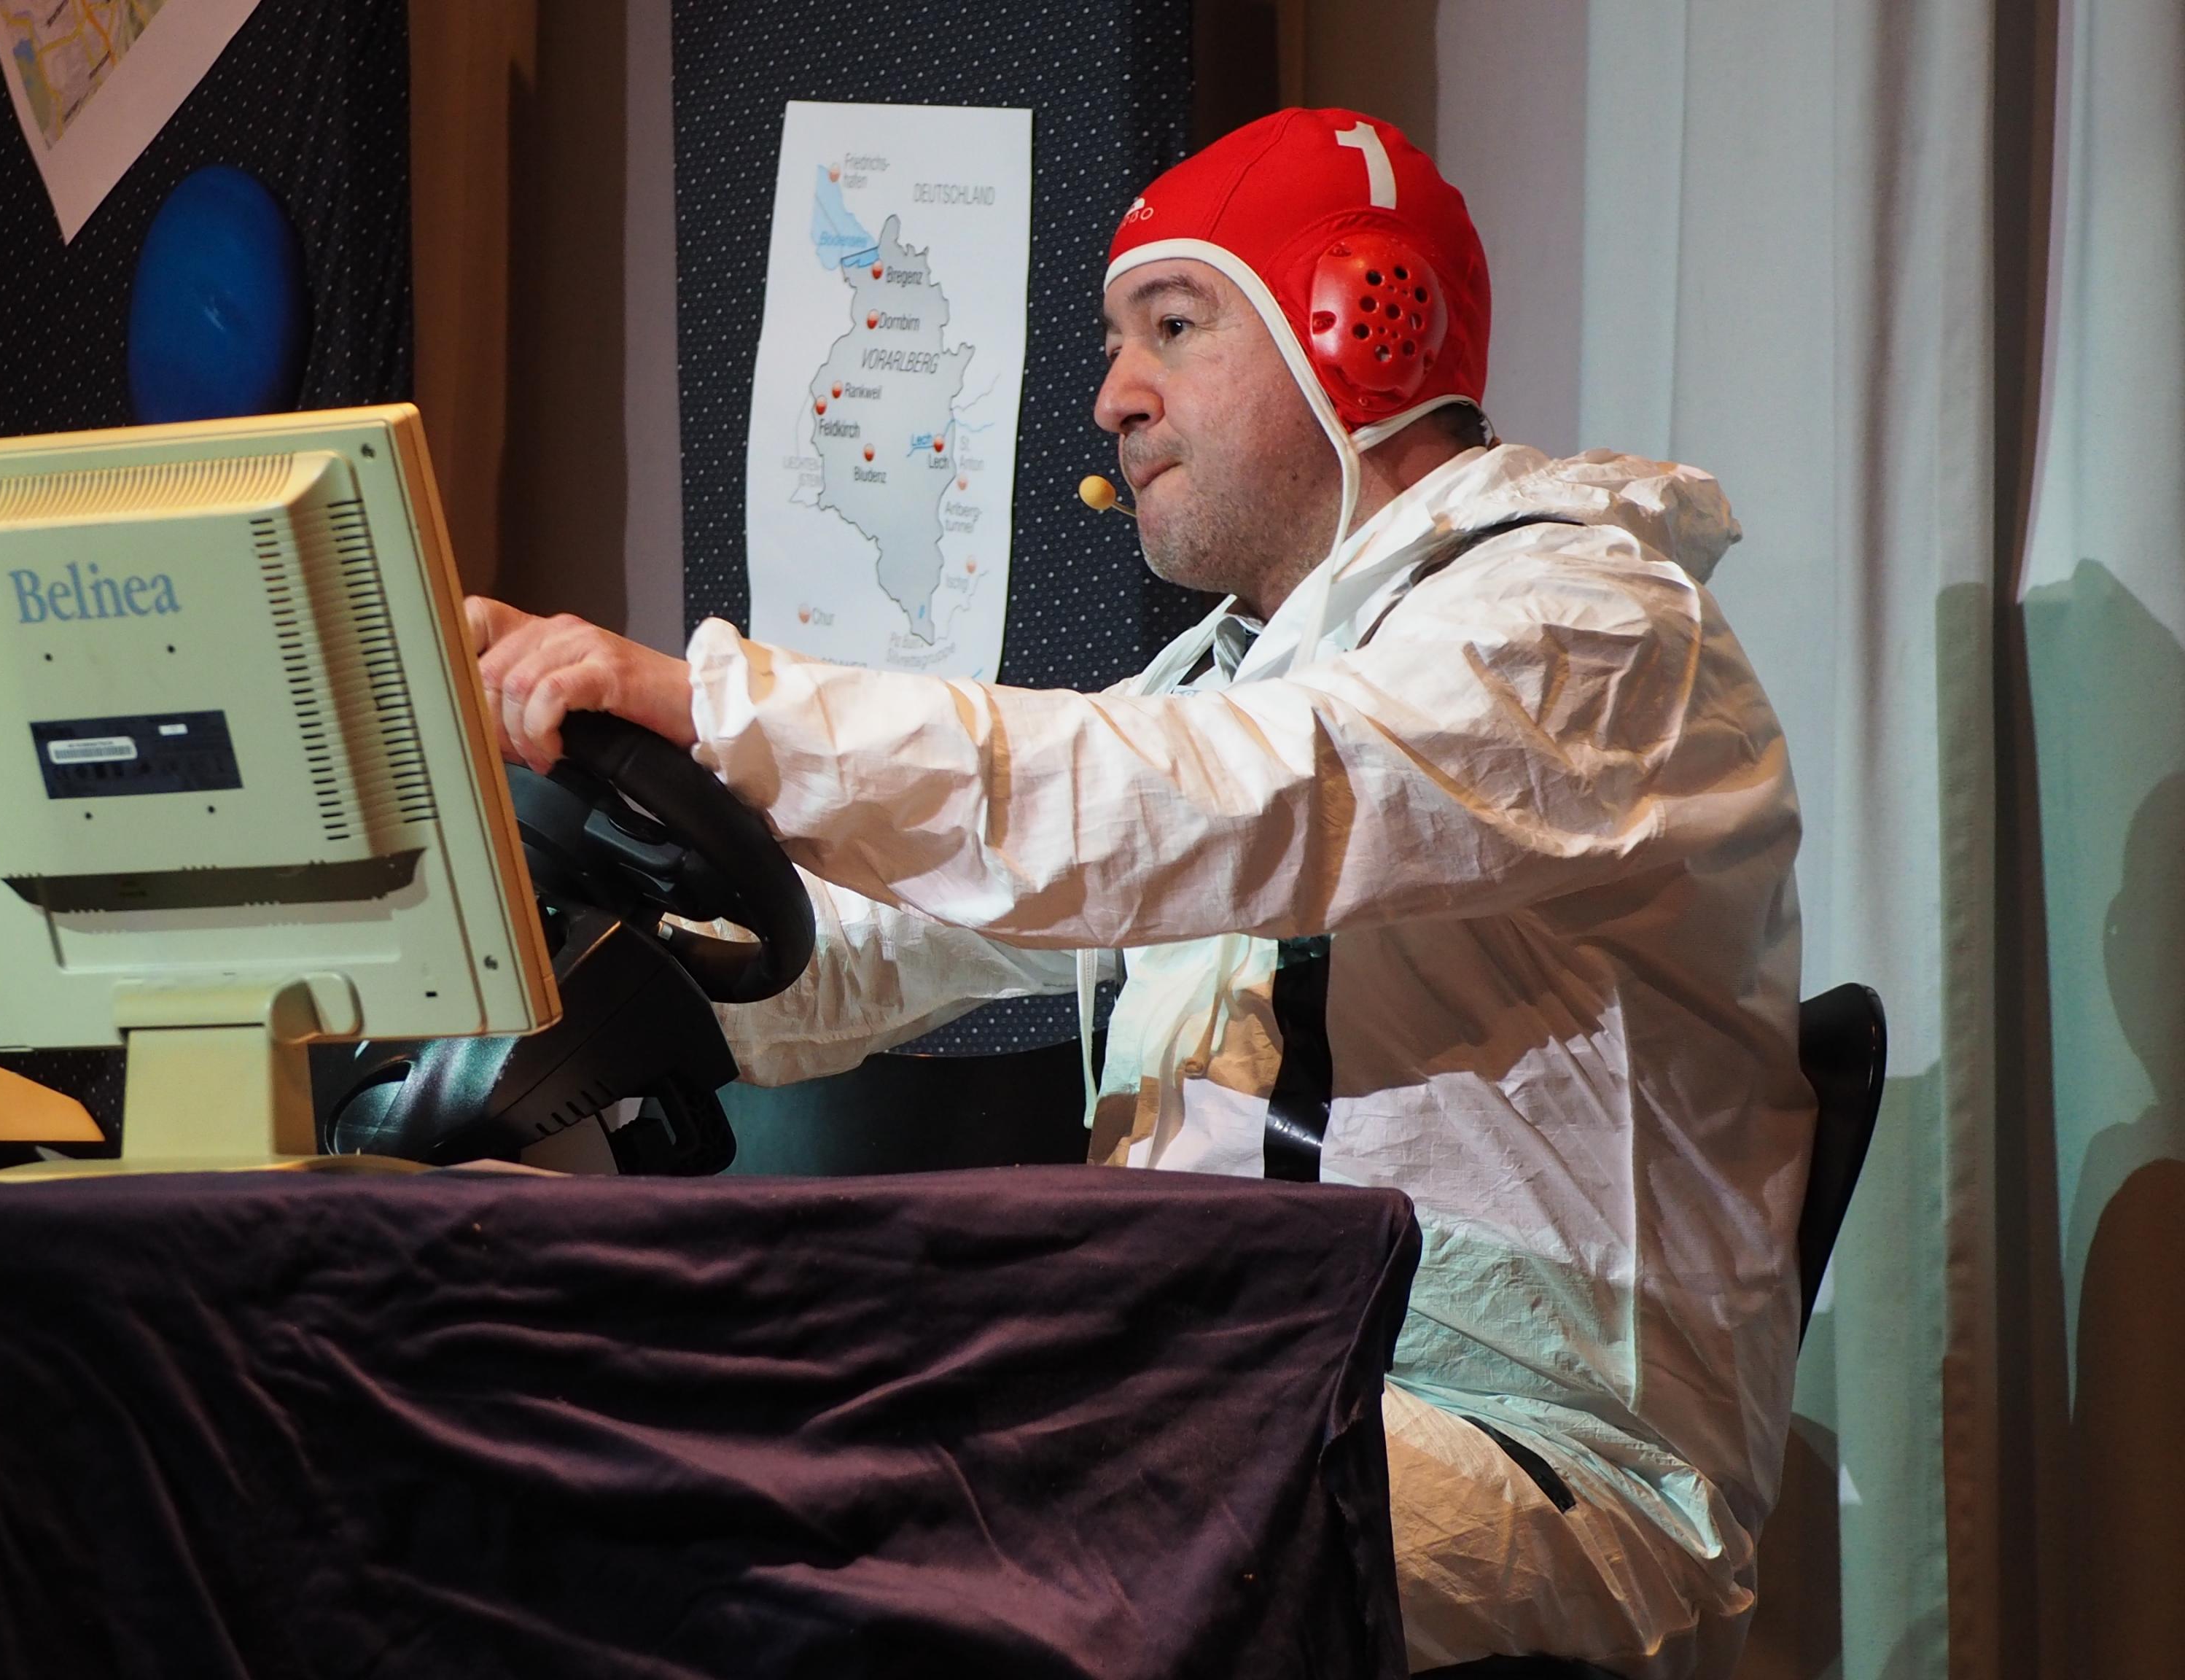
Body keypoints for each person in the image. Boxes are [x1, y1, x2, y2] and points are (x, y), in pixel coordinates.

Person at [463, 108, 1809, 1679]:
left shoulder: (1583, 627)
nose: (1111, 395)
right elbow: (905, 928)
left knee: (913, 1554)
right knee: (677, 1467)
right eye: (1116, 342)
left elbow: (1188, 806)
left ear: (1359, 330)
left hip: (1526, 1465)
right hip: (1234, 1387)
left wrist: (720, 709)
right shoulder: (1241, 682)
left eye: (1173, 327)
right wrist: (563, 948)